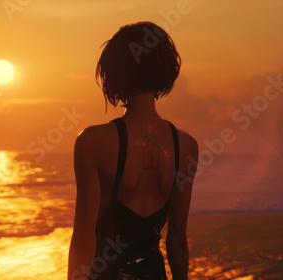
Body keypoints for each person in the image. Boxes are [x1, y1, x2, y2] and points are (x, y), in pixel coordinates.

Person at [68, 22, 199, 280]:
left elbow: (84, 240)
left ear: (113, 72)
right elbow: (178, 243)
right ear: (166, 69)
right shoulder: (185, 146)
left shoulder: (93, 142)